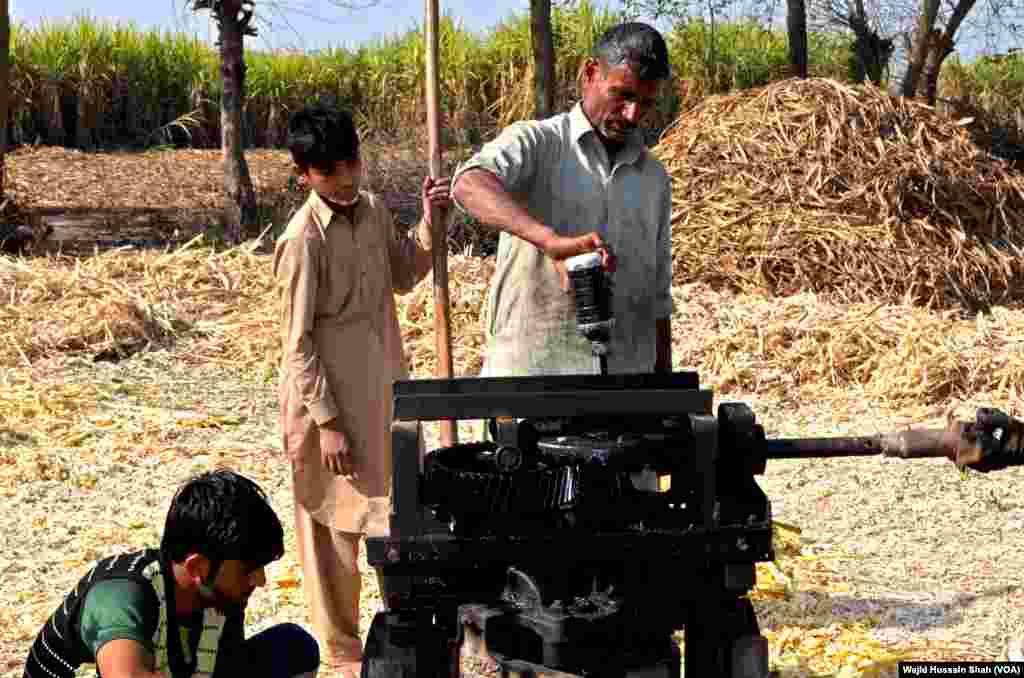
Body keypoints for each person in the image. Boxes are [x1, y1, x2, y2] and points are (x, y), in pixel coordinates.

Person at [274, 103, 449, 676]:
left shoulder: (373, 211)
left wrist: (429, 222)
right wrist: (326, 422)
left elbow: (405, 273)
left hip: (382, 393)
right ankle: (344, 655)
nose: (346, 179)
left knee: (394, 514)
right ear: (304, 174)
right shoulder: (302, 240)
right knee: (331, 529)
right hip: (327, 404)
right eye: (330, 172)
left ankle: (405, 634)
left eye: (351, 163)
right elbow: (296, 344)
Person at [452, 22, 674, 377]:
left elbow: (659, 297)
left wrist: (666, 391)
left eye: (646, 103)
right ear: (590, 73)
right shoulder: (538, 144)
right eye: (623, 95)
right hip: (533, 379)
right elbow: (469, 183)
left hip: (626, 386)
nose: (633, 115)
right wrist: (549, 241)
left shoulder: (653, 178)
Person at [22, 469, 319, 678]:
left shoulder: (220, 596)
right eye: (249, 569)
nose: (261, 581)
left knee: (292, 650)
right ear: (198, 567)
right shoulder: (120, 595)